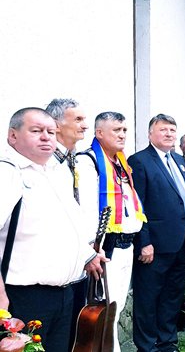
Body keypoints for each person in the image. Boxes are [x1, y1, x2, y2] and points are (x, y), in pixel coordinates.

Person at [0, 107, 103, 351]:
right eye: (36, 131)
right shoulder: (8, 173)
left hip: (65, 295)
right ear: (12, 136)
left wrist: (86, 256)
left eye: (51, 131)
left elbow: (67, 224)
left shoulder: (55, 172)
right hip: (25, 298)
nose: (47, 137)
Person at [128, 114, 185, 352]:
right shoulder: (140, 161)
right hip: (155, 246)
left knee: (172, 296)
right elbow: (138, 205)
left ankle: (167, 342)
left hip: (180, 242)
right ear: (150, 134)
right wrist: (144, 243)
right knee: (148, 299)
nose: (169, 134)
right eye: (163, 130)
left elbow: (183, 199)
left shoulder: (179, 160)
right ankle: (148, 346)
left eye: (172, 129)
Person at [76, 111, 147, 352]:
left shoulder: (120, 164)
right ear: (99, 133)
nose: (123, 135)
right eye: (116, 130)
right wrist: (90, 250)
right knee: (104, 310)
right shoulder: (89, 162)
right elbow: (86, 210)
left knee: (116, 307)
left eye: (125, 130)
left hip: (127, 245)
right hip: (106, 249)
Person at [43, 97, 90, 346]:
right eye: (78, 119)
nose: (85, 125)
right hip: (50, 272)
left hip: (75, 265)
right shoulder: (45, 164)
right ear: (57, 125)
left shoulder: (73, 159)